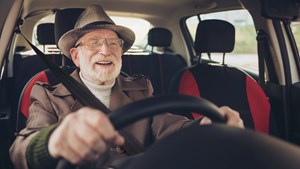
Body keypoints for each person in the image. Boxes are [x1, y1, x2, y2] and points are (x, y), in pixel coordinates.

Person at [10, 5, 244, 169]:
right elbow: (20, 150)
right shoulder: (47, 93)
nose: (105, 50)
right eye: (93, 42)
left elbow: (166, 124)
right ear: (75, 56)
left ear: (121, 52)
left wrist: (203, 126)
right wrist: (53, 140)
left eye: (113, 42)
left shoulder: (141, 87)